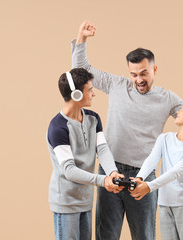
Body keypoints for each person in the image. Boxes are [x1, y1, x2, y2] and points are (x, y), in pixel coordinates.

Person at [72, 20, 183, 240]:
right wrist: (82, 38)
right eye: (133, 74)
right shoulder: (117, 85)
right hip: (110, 171)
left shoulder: (167, 99)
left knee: (145, 236)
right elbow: (82, 70)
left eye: (143, 73)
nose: (138, 80)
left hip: (143, 176)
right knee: (105, 235)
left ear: (154, 69)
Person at [46, 68, 124, 240]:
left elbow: (102, 149)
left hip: (85, 200)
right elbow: (69, 170)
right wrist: (102, 180)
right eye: (90, 90)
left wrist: (112, 172)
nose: (94, 94)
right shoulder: (57, 128)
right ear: (76, 95)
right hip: (66, 202)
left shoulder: (93, 118)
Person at [130, 99, 183, 240]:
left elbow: (176, 172)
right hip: (165, 204)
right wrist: (140, 178)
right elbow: (151, 160)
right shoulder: (165, 138)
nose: (178, 111)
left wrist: (149, 186)